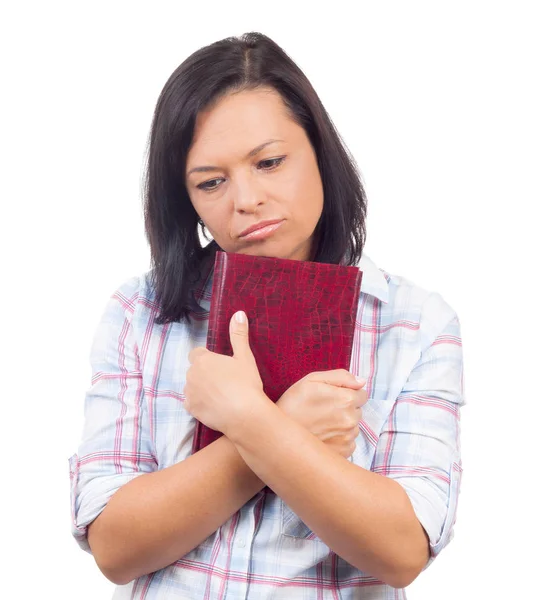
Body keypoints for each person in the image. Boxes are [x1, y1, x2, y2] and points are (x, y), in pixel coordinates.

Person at [68, 31, 465, 599]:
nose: (245, 198)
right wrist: (282, 429)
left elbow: (402, 550)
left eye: (270, 162)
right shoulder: (141, 313)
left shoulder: (415, 323)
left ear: (320, 153)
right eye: (211, 181)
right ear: (187, 199)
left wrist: (251, 420)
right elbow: (115, 546)